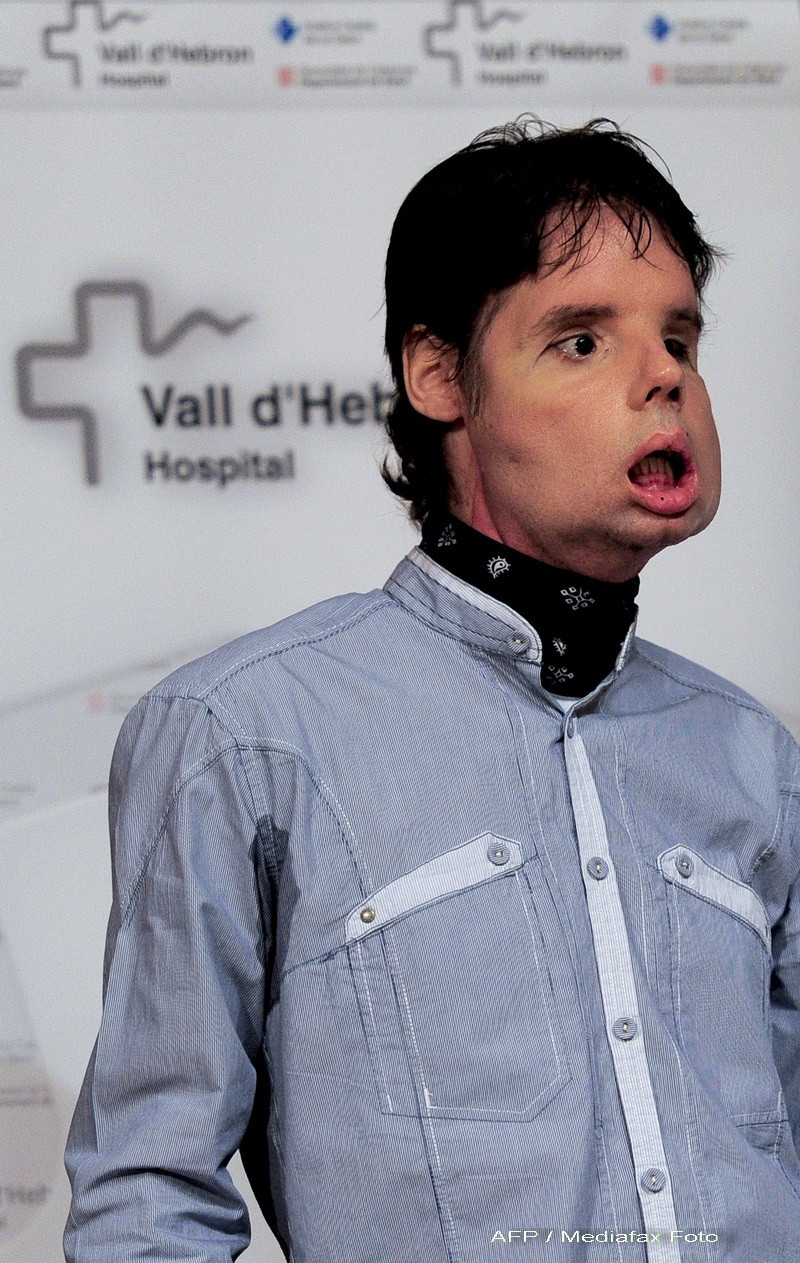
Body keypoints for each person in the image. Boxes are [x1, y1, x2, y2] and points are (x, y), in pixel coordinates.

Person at [64, 119, 800, 1262]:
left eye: (678, 337)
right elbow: (146, 1202)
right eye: (579, 340)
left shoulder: (754, 756)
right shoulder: (246, 731)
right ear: (439, 376)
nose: (664, 375)